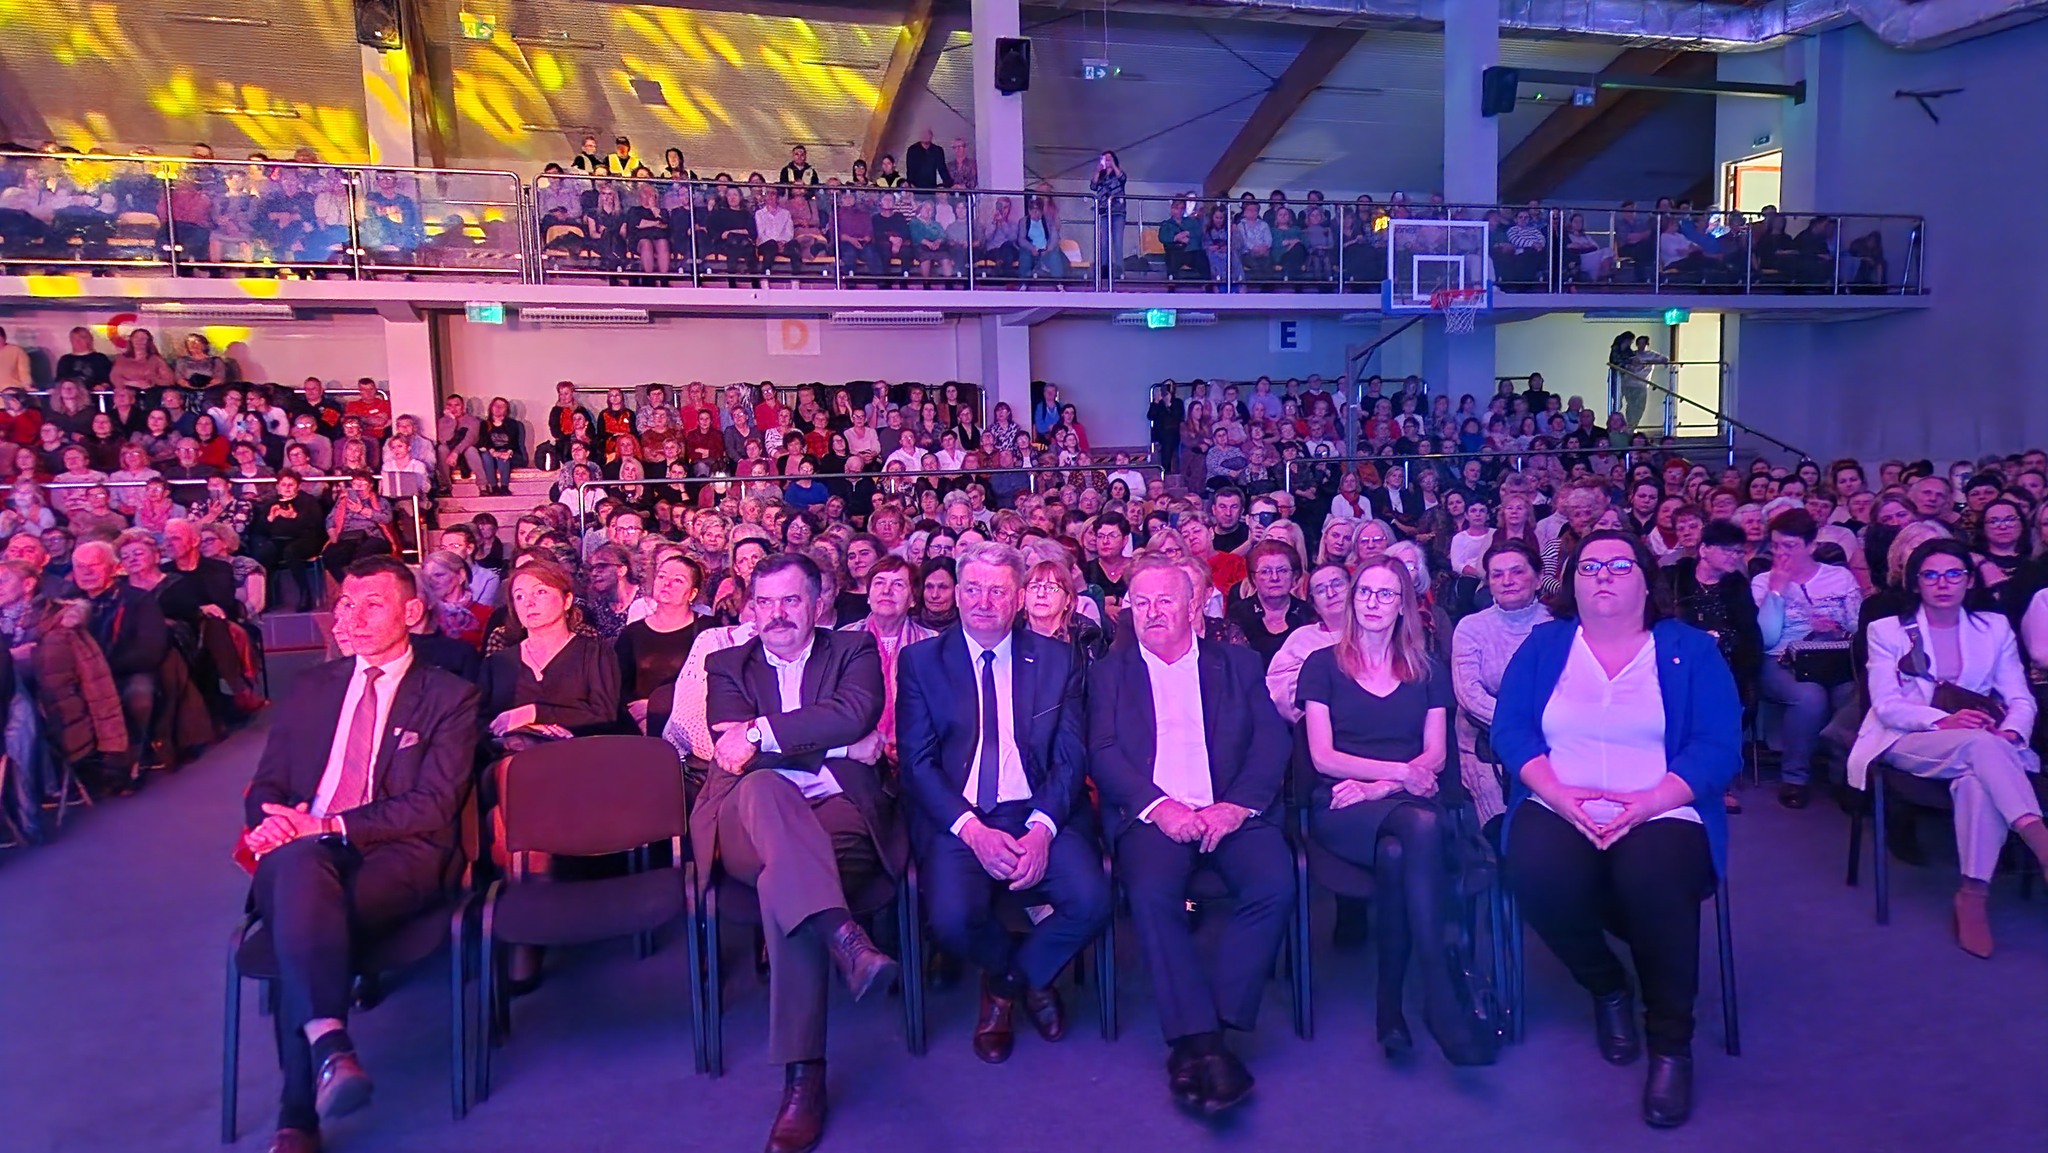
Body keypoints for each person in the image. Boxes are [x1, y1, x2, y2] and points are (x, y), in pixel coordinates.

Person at [1491, 530, 1740, 1129]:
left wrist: (1651, 801)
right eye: (1590, 566)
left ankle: (1670, 1045)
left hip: (1662, 804)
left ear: (1645, 579)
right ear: (1572, 582)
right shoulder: (1545, 645)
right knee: (1533, 871)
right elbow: (1511, 729)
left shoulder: (1688, 650)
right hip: (1560, 801)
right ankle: (1606, 985)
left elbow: (1718, 746)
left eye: (1619, 565)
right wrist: (1555, 792)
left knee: (1654, 878)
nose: (1603, 575)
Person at [238, 556, 480, 1153]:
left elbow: (433, 805)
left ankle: (297, 1118)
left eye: (373, 602)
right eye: (348, 603)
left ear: (413, 612)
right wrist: (269, 826)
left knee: (298, 921)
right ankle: (328, 1042)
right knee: (297, 867)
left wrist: (328, 823)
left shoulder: (450, 696)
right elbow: (266, 787)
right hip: (301, 851)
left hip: (400, 855)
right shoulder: (314, 687)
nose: (355, 615)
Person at [697, 553, 898, 1153]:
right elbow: (735, 756)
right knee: (763, 788)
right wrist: (839, 747)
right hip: (744, 819)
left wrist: (763, 733)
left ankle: (803, 1075)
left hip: (841, 817)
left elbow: (855, 711)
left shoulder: (854, 652)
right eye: (764, 602)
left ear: (819, 603)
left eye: (791, 600)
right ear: (749, 608)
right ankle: (846, 936)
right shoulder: (726, 663)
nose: (777, 614)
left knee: (782, 883)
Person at [1086, 555, 1292, 1116]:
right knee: (1153, 894)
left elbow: (1271, 744)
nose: (1151, 612)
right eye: (1141, 602)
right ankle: (1203, 1043)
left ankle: (1207, 1032)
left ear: (1195, 606)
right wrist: (1161, 807)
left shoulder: (1239, 664)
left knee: (1274, 883)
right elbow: (1103, 754)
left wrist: (1236, 808)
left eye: (1164, 601)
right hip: (1153, 817)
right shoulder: (1109, 672)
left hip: (1230, 808)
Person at [896, 542, 1109, 1064]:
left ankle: (1006, 987)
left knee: (1092, 901)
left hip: (1039, 809)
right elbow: (918, 765)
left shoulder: (1059, 660)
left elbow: (1070, 757)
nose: (982, 601)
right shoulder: (922, 661)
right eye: (972, 588)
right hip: (960, 816)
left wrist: (1040, 829)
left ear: (1018, 599)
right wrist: (972, 831)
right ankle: (1030, 977)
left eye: (997, 591)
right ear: (956, 593)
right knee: (948, 918)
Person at [1297, 558, 1496, 1066]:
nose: (1372, 602)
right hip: (1342, 806)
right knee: (1420, 823)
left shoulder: (1426, 668)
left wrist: (1381, 785)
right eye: (1365, 591)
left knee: (1396, 851)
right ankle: (1441, 995)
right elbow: (1324, 757)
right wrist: (1395, 776)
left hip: (1391, 796)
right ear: (1352, 597)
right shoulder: (1322, 665)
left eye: (1386, 594)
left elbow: (1434, 757)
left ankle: (1390, 1006)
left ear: (1403, 604)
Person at [1850, 538, 2048, 958]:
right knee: (1979, 746)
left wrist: (2012, 733)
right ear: (1915, 582)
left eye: (1954, 573)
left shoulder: (1993, 627)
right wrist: (1944, 720)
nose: (1943, 583)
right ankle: (2040, 839)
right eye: (1931, 575)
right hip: (1908, 738)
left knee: (1978, 776)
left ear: (1968, 579)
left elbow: (2021, 698)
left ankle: (1972, 896)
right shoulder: (1886, 630)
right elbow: (1886, 705)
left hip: (1985, 744)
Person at [1752, 508, 1862, 808]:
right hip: (1781, 659)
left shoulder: (1839, 578)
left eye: (1790, 546)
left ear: (1811, 546)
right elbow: (1767, 639)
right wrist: (1776, 592)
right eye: (1775, 546)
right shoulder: (1763, 581)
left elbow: (1858, 626)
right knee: (1809, 697)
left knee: (1852, 695)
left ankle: (1847, 778)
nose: (1781, 553)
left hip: (1834, 656)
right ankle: (1795, 778)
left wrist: (1838, 627)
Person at [1450, 540, 1553, 828]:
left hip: (1554, 740)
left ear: (1536, 577)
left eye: (1517, 572)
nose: (1507, 581)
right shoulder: (1471, 627)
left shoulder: (1559, 622)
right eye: (1497, 574)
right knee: (1503, 830)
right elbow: (1469, 694)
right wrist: (1520, 725)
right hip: (1487, 743)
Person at [477, 558, 622, 756]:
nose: (529, 602)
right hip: (514, 763)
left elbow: (604, 715)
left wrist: (532, 713)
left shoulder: (595, 654)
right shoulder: (498, 664)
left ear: (567, 600)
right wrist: (523, 734)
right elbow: (481, 725)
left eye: (541, 592)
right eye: (519, 597)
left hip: (582, 758)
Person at [615, 551, 706, 738]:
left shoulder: (708, 630)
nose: (667, 584)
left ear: (692, 593)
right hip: (640, 726)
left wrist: (658, 705)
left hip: (691, 723)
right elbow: (618, 685)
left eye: (678, 580)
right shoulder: (632, 633)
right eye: (662, 576)